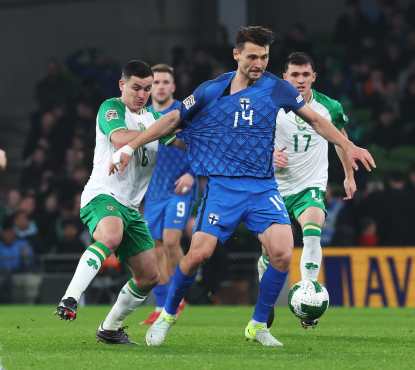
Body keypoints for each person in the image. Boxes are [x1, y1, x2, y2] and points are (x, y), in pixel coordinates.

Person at [111, 26, 375, 347]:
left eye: (264, 57)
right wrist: (130, 146)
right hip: (223, 188)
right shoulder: (212, 90)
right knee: (197, 255)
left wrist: (349, 146)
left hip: (263, 188)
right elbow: (171, 120)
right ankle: (167, 315)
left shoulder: (277, 89)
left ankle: (259, 324)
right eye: (252, 56)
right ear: (237, 54)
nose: (259, 63)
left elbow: (317, 121)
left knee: (281, 252)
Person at [55, 60, 176, 345]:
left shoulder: (153, 119)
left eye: (147, 88)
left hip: (131, 209)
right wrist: (162, 129)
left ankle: (109, 328)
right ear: (122, 85)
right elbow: (120, 138)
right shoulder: (112, 108)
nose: (142, 94)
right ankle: (70, 298)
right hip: (102, 196)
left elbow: (181, 141)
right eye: (136, 87)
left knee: (149, 276)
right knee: (111, 234)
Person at [257, 52, 356, 329]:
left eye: (305, 75)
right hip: (272, 187)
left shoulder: (329, 107)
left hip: (309, 186)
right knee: (271, 253)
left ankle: (309, 296)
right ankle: (265, 304)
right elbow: (251, 137)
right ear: (285, 77)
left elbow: (340, 140)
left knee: (313, 232)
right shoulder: (269, 103)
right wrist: (269, 154)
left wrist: (348, 175)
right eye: (294, 75)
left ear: (313, 77)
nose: (300, 80)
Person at [141, 64, 196, 324]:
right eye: (157, 82)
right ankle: (162, 306)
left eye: (165, 82)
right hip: (154, 191)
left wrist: (193, 175)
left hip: (180, 187)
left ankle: (181, 292)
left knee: (172, 240)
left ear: (173, 87)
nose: (161, 86)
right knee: (156, 247)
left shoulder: (182, 114)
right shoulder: (143, 116)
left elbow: (201, 148)